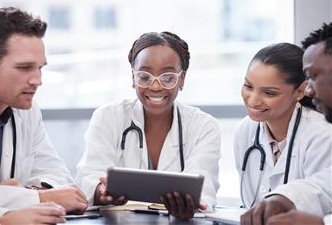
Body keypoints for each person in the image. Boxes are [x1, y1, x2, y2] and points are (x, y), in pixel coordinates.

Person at [75, 31, 221, 220]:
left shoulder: (203, 126)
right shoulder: (108, 116)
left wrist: (190, 204)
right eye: (145, 77)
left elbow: (204, 188)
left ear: (182, 79)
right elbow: (89, 175)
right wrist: (98, 191)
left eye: (168, 77)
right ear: (133, 78)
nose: (155, 87)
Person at [0, 7, 87, 215]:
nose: (37, 81)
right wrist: (35, 198)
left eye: (40, 68)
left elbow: (56, 173)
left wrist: (30, 194)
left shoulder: (27, 110)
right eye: (25, 67)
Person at [240, 22, 332, 225]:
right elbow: (325, 184)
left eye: (314, 77)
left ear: (298, 91)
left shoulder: (322, 133)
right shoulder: (245, 130)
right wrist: (285, 198)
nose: (254, 100)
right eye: (248, 85)